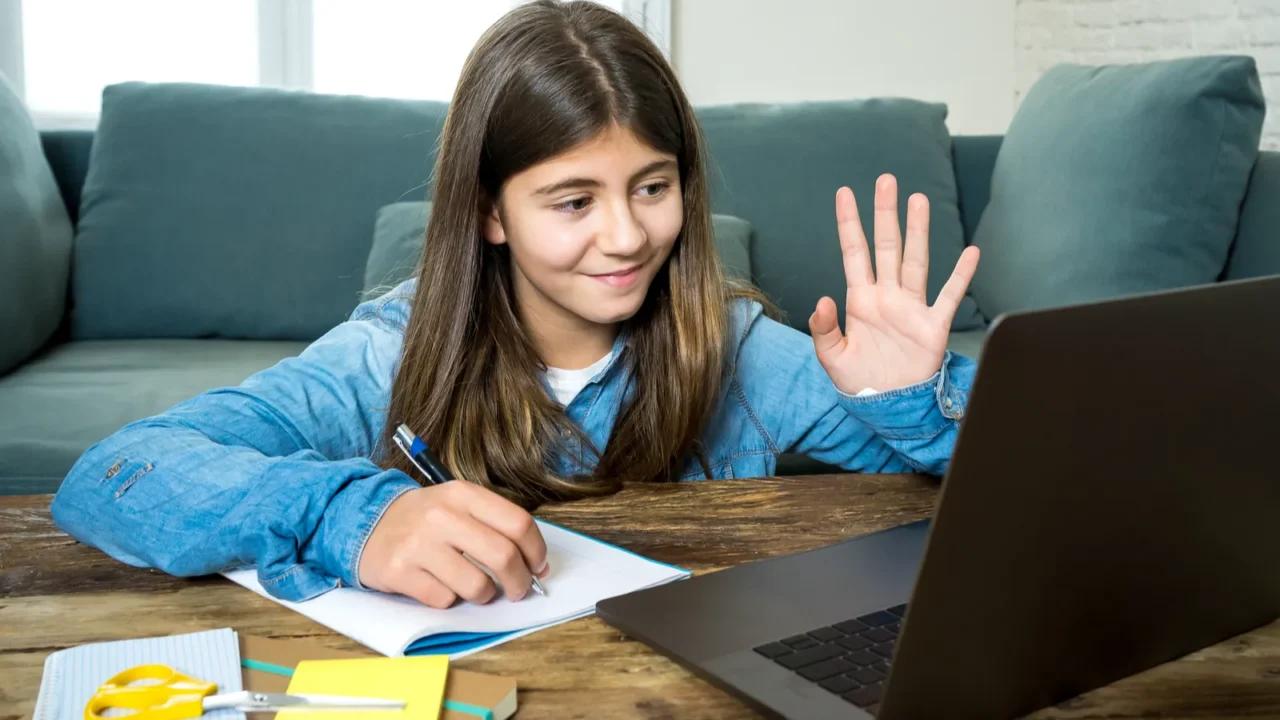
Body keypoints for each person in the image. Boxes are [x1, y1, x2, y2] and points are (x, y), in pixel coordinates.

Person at [50, 0, 980, 612]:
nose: (625, 236)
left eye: (652, 187)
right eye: (573, 201)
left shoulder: (735, 345)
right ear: (489, 212)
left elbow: (1002, 474)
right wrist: (355, 515)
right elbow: (117, 474)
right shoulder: (390, 353)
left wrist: (909, 395)